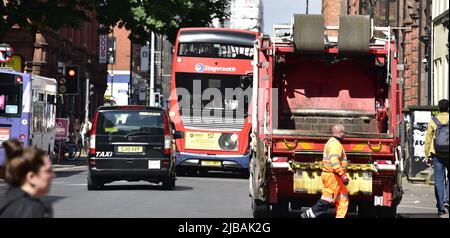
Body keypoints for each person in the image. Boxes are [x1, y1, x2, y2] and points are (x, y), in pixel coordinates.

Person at [301, 124, 349, 218]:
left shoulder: (333, 143)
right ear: (341, 133)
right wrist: (342, 174)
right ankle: (309, 214)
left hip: (335, 177)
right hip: (333, 177)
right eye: (344, 133)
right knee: (328, 200)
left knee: (343, 200)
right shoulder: (335, 144)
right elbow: (334, 161)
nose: (345, 135)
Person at [0, 139, 55, 218]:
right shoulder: (28, 208)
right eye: (48, 171)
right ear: (31, 177)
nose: (53, 175)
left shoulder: (10, 198)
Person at [424, 99, 449, 216]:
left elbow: (428, 139)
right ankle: (447, 200)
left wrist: (427, 155)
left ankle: (440, 206)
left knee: (438, 181)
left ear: (438, 108)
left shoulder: (433, 121)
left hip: (437, 155)